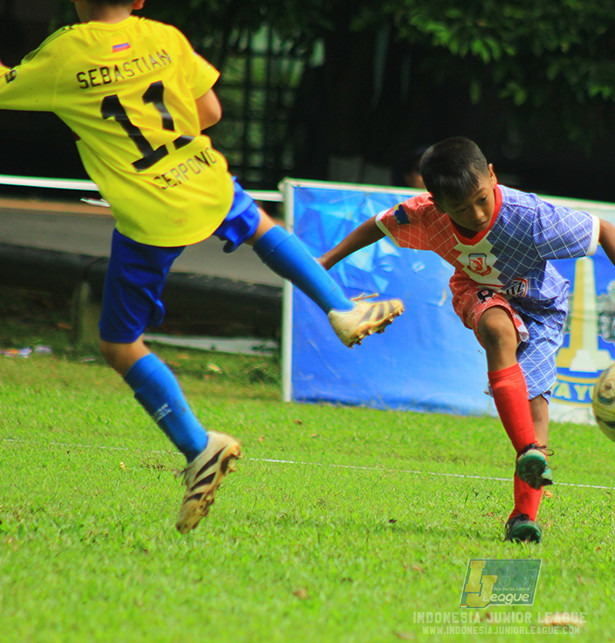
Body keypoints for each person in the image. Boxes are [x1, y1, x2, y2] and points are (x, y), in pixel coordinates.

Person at [0, 0, 404, 533]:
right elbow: (209, 112)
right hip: (203, 181)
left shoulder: (65, 54)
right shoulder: (165, 37)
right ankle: (339, 307)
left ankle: (198, 447)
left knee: (119, 344)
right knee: (264, 229)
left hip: (148, 212)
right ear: (139, 0)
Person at [320, 136, 615, 542]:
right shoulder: (422, 214)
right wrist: (324, 263)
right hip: (476, 288)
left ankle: (523, 516)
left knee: (537, 407)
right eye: (459, 209)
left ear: (492, 176)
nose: (474, 213)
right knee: (497, 328)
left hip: (542, 308)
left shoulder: (530, 216)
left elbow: (604, 230)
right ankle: (527, 450)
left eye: (481, 199)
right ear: (435, 203)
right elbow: (378, 226)